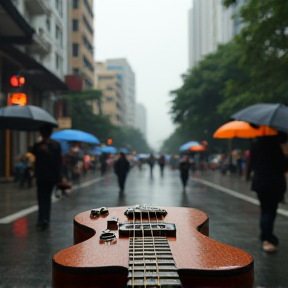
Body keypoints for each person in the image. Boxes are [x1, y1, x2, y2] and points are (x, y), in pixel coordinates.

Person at [248, 133, 288, 252]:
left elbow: (253, 163)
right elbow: (283, 166)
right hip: (273, 183)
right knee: (270, 211)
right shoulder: (276, 146)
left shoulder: (256, 144)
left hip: (260, 182)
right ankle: (267, 239)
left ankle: (266, 236)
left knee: (265, 210)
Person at [32, 124, 62, 231]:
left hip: (45, 176)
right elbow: (58, 162)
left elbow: (56, 161)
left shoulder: (52, 146)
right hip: (47, 176)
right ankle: (44, 219)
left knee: (42, 198)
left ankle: (43, 219)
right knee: (44, 198)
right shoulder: (41, 145)